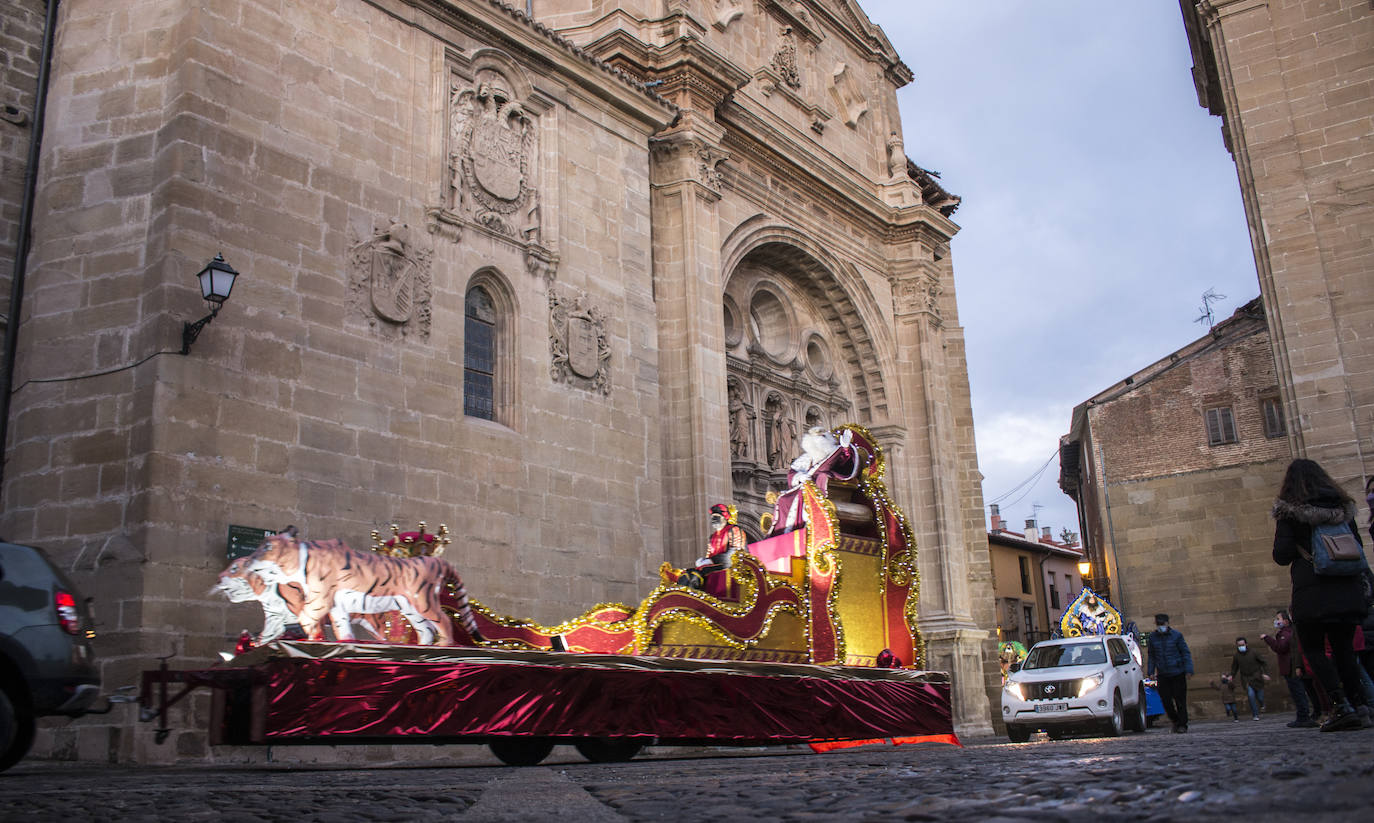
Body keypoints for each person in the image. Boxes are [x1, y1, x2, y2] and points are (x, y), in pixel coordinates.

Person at [1272, 458, 1368, 732]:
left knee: (1313, 649)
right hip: (1347, 589)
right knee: (1344, 650)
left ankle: (1340, 706)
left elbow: (1281, 555)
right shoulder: (1343, 510)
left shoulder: (1290, 513)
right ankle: (1359, 705)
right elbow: (1357, 548)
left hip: (1312, 590)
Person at [1261, 609, 1317, 727]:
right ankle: (1304, 715)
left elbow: (1281, 648)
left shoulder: (1286, 633)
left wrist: (1267, 638)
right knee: (1299, 691)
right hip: (1290, 666)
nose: (1276, 621)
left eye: (1278, 619)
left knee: (1298, 692)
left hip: (1290, 666)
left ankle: (1303, 716)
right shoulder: (1286, 632)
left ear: (1286, 621)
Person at [1146, 613, 1193, 733]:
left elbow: (1185, 653)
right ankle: (1175, 720)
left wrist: (1188, 669)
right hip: (1163, 673)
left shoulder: (1176, 636)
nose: (1160, 626)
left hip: (1177, 672)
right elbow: (1151, 655)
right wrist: (1150, 671)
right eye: (1158, 624)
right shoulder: (1153, 637)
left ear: (1167, 623)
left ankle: (1182, 724)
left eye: (1162, 624)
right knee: (1166, 701)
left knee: (1180, 700)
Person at [1229, 637, 1270, 720]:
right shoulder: (1236, 656)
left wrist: (1265, 673)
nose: (1241, 647)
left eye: (1242, 645)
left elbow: (1263, 662)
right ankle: (1255, 715)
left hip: (1257, 677)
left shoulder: (1254, 652)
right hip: (1246, 679)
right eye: (1239, 645)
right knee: (1251, 695)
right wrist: (1231, 676)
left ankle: (1262, 704)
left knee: (1260, 697)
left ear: (1246, 644)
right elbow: (1234, 668)